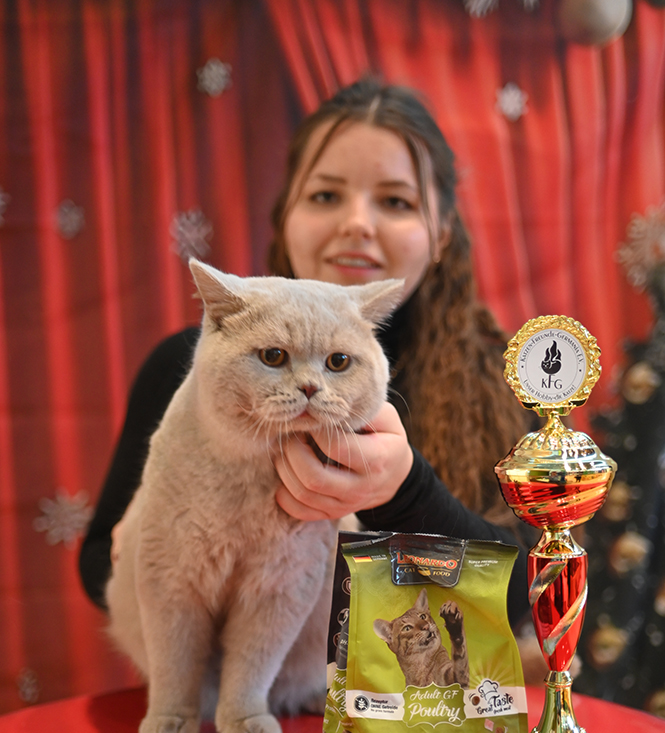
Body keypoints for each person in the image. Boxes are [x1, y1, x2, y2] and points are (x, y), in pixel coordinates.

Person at [79, 78, 533, 636]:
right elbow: (98, 561)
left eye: (395, 201)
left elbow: (531, 598)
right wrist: (149, 544)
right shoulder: (191, 368)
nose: (357, 223)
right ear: (285, 216)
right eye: (325, 196)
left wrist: (405, 491)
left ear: (440, 233)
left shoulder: (500, 380)